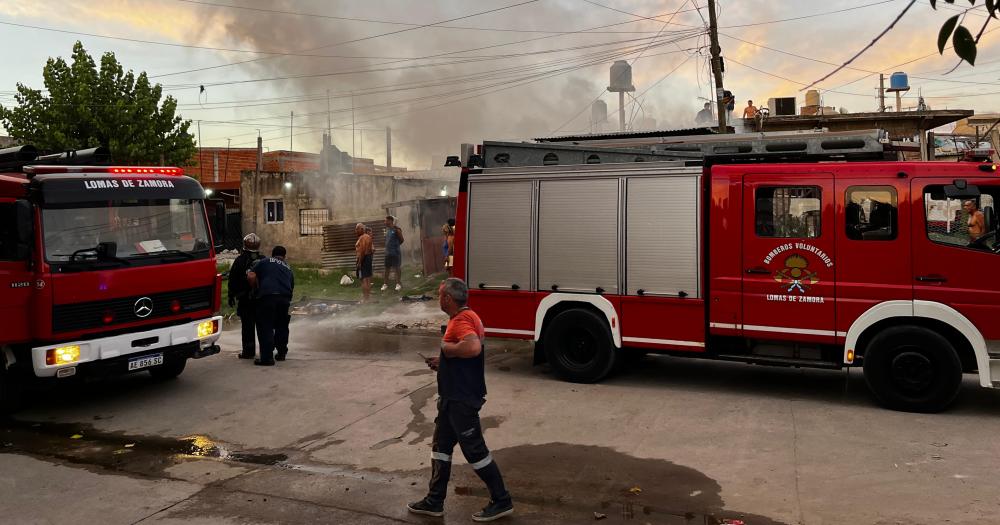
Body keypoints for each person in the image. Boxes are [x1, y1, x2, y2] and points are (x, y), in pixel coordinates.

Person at [408, 278, 513, 522]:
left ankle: (502, 500)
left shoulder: (462, 320)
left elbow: (472, 348)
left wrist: (447, 350)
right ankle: (434, 501)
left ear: (448, 299)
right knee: (440, 449)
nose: (438, 298)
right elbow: (464, 356)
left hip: (461, 401)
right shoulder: (470, 316)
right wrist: (442, 362)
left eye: (440, 294)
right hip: (452, 399)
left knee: (475, 451)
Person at [247, 246, 294, 366]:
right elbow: (291, 286)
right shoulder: (288, 268)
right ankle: (281, 354)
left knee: (265, 325)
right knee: (281, 325)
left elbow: (251, 276)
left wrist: (254, 289)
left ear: (272, 254)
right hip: (284, 298)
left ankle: (267, 358)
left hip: (268, 296)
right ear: (284, 256)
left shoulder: (265, 261)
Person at [228, 233, 262, 359]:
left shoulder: (239, 260)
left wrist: (231, 295)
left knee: (247, 327)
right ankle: (265, 351)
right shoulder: (263, 259)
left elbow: (232, 280)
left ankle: (248, 352)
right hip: (260, 299)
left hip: (245, 299)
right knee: (262, 326)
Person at [381, 215, 404, 292]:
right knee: (387, 268)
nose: (385, 222)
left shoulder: (396, 229)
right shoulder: (387, 230)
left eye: (386, 220)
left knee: (397, 268)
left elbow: (402, 240)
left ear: (390, 221)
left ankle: (398, 284)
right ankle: (385, 284)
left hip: (395, 253)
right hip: (388, 253)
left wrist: (395, 246)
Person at [355, 223, 374, 302]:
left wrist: (359, 262)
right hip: (368, 258)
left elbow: (362, 251)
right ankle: (368, 298)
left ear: (362, 229)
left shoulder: (363, 237)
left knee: (363, 279)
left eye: (357, 229)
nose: (355, 231)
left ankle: (365, 298)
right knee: (368, 279)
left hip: (364, 259)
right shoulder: (368, 237)